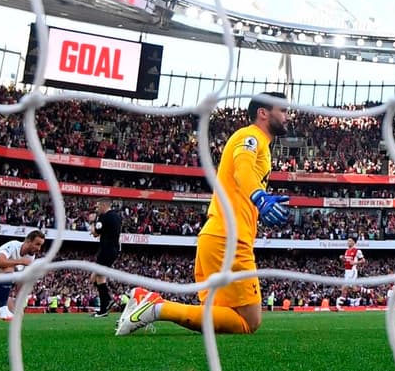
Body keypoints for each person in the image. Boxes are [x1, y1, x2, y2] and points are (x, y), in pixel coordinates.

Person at [116, 92, 290, 336]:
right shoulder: (250, 136)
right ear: (263, 113)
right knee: (248, 322)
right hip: (229, 240)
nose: (288, 116)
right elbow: (243, 170)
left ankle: (147, 298)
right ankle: (157, 308)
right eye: (283, 110)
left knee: (221, 316)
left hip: (217, 237)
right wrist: (260, 197)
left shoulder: (260, 145)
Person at [0, 231, 44, 321]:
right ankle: (2, 309)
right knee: (8, 269)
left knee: (17, 315)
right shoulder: (13, 245)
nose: (39, 248)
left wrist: (19, 305)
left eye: (40, 245)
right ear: (28, 241)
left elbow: (21, 281)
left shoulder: (30, 257)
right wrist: (20, 261)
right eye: (37, 244)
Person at [88, 199, 122, 317]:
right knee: (94, 278)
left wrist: (92, 222)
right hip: (112, 249)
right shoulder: (117, 216)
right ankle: (106, 303)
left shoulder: (104, 217)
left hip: (106, 250)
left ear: (103, 205)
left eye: (98, 207)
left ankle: (105, 307)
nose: (97, 209)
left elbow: (95, 233)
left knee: (99, 277)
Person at [340, 237, 364, 304]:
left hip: (352, 270)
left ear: (354, 242)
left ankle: (340, 304)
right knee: (350, 288)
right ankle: (363, 294)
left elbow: (363, 260)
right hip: (347, 271)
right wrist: (343, 259)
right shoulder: (347, 251)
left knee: (345, 287)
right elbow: (346, 261)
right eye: (348, 241)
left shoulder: (357, 251)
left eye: (350, 241)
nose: (348, 242)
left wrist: (355, 263)